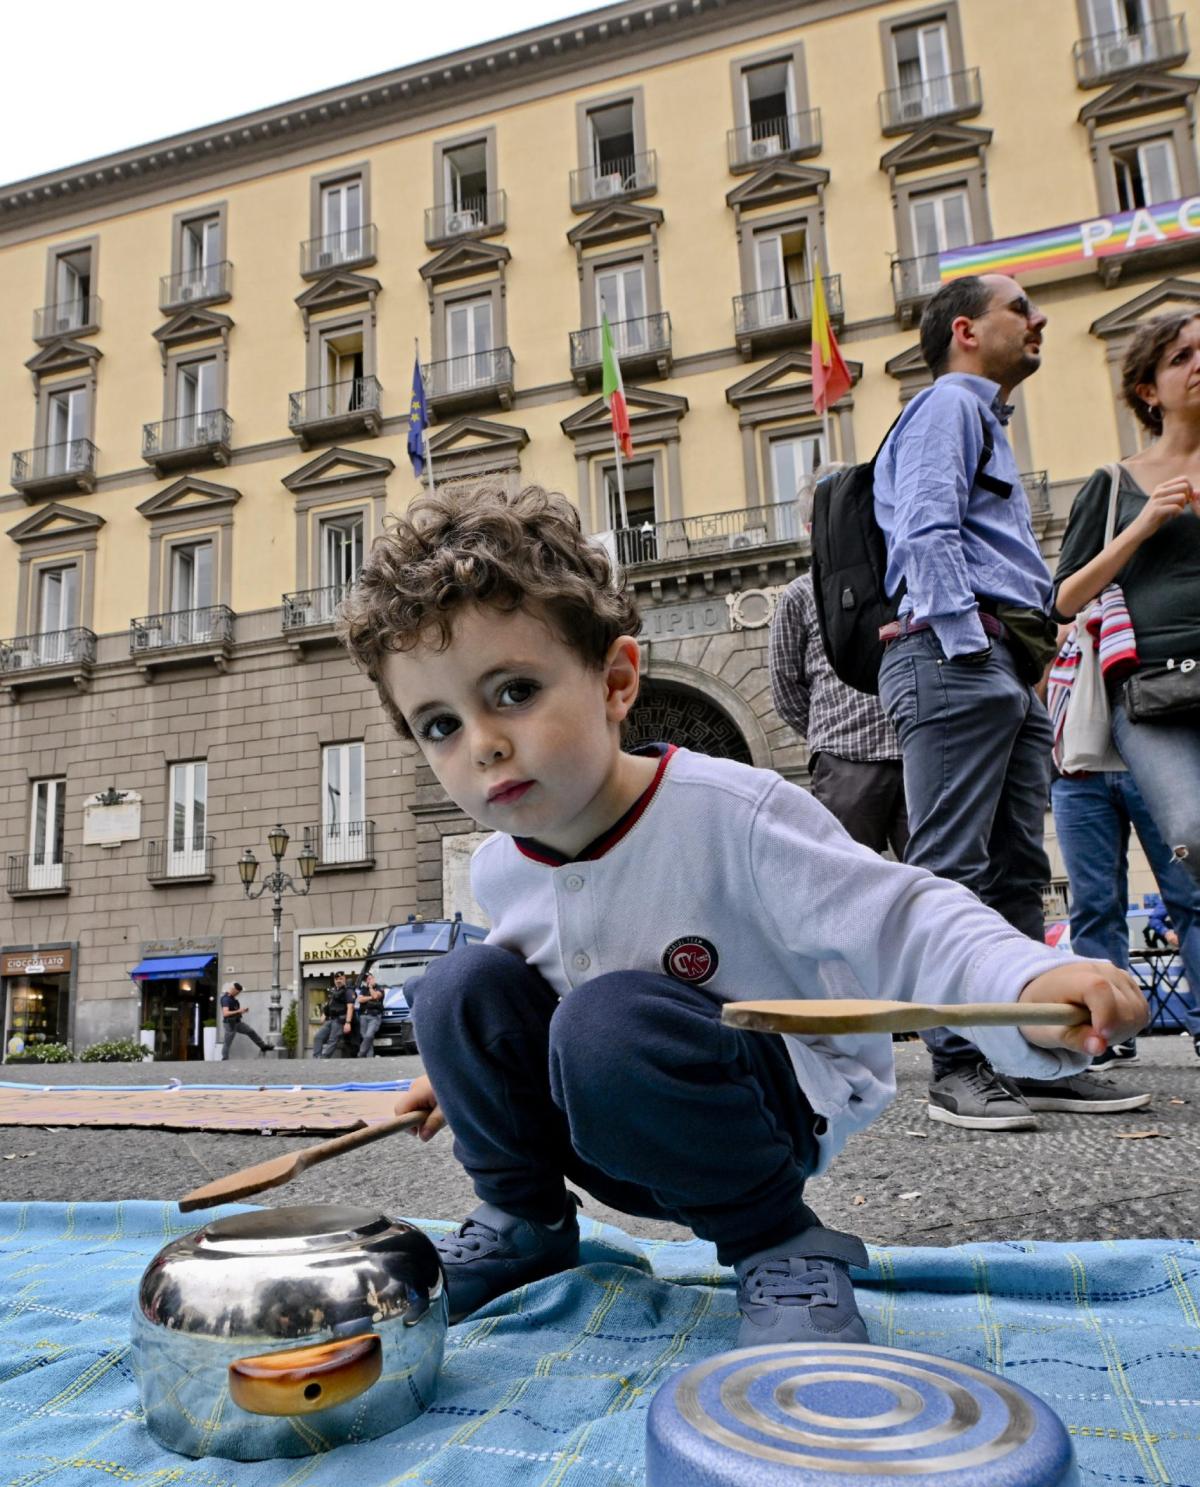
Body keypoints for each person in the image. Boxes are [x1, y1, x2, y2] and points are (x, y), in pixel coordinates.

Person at [337, 481, 1145, 1347]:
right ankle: (522, 1222)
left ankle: (783, 1243)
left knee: (608, 1019)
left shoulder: (736, 811)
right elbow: (522, 971)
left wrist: (1026, 974)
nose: (481, 744)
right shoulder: (500, 866)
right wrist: (468, 1076)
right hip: (606, 1118)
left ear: (616, 682)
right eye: (438, 725)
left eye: (514, 692)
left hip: (764, 1119)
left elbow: (901, 913)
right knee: (456, 985)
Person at [873, 272, 1148, 1129]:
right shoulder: (950, 405)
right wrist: (965, 641)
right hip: (961, 654)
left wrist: (1016, 665)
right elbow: (925, 527)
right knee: (952, 869)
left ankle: (1031, 1055)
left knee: (1020, 871)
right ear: (965, 330)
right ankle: (958, 1067)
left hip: (1002, 661)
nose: (1039, 320)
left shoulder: (980, 419)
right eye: (1019, 310)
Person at [1051, 307, 1200, 883]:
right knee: (1189, 830)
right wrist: (1142, 527)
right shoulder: (1114, 483)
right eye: (1180, 357)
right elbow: (1063, 600)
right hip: (1150, 690)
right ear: (1148, 390)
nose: (1197, 364)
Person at [769, 467, 907, 856]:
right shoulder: (799, 596)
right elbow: (785, 688)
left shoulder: (898, 581)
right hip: (845, 762)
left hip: (914, 750)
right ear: (812, 529)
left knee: (937, 881)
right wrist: (829, 734)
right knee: (848, 888)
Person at [1051, 767, 1200, 1063]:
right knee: (1093, 906)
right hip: (1073, 765)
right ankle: (1109, 1030)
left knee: (1190, 897)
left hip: (1153, 754)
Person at [219, 982, 270, 1059]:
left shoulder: (232, 998)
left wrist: (242, 1011)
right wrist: (239, 1011)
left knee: (250, 1031)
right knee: (227, 1042)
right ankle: (224, 1058)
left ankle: (263, 1046)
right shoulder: (226, 998)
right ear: (234, 990)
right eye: (237, 992)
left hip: (237, 1022)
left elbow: (235, 1010)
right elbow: (225, 1013)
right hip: (230, 1024)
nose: (238, 994)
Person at [317, 971, 355, 1058]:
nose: (338, 980)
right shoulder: (334, 991)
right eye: (336, 979)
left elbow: (350, 1007)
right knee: (318, 1037)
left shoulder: (348, 991)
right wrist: (324, 1014)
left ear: (344, 979)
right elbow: (329, 1005)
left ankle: (323, 1058)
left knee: (332, 1040)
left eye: (340, 979)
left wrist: (348, 1022)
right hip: (330, 1019)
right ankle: (317, 1058)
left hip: (339, 1020)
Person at [356, 971, 386, 1057]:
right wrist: (370, 997)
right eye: (367, 979)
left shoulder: (380, 988)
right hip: (363, 1016)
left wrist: (370, 988)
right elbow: (360, 1000)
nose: (368, 980)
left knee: (369, 1036)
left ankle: (360, 1054)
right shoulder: (363, 989)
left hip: (374, 1016)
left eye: (370, 978)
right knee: (365, 1037)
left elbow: (376, 996)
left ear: (374, 979)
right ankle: (370, 1057)